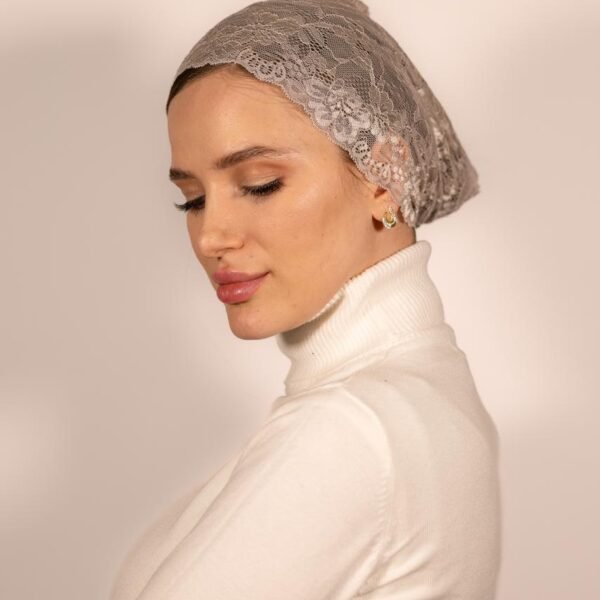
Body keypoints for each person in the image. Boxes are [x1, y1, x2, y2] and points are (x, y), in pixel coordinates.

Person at [109, 1, 501, 598]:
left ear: (382, 176)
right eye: (192, 199)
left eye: (259, 184)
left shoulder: (348, 431)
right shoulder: (424, 393)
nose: (211, 236)